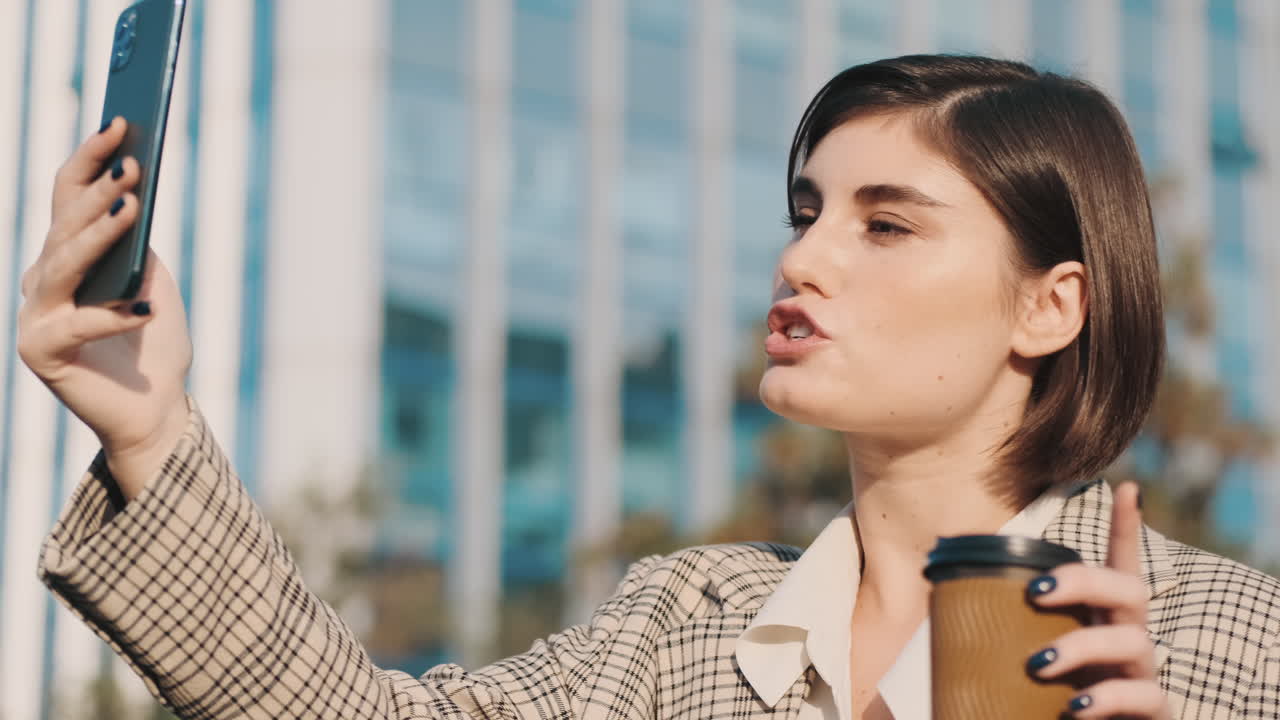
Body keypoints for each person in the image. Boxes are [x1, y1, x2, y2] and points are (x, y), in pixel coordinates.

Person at [19, 54, 1280, 720]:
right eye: (806, 211)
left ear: (1046, 305)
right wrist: (149, 424)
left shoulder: (1230, 648)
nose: (800, 256)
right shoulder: (686, 629)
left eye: (884, 225)